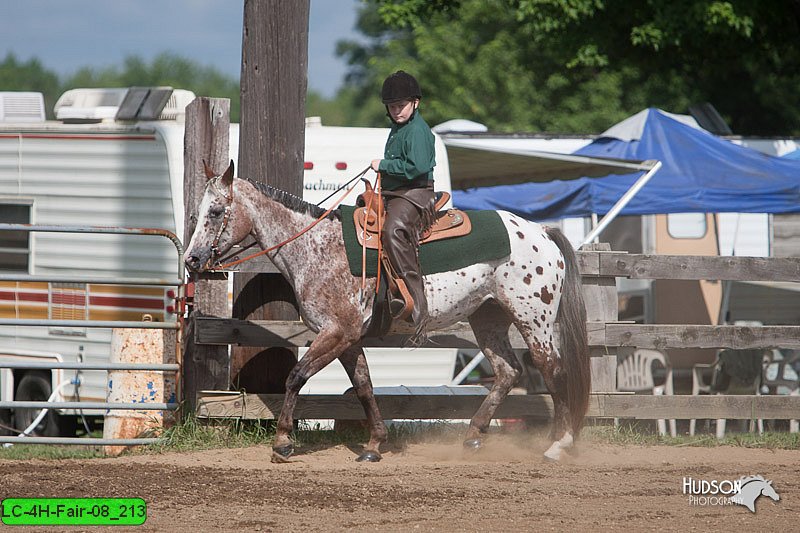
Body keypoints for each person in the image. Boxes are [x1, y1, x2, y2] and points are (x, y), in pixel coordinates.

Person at [370, 70, 436, 336]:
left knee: (392, 231)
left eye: (401, 105)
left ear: (415, 103)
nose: (397, 110)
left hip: (415, 193)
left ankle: (417, 305)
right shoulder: (398, 129)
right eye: (393, 106)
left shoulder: (417, 131)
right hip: (396, 193)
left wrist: (383, 165)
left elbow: (417, 167)